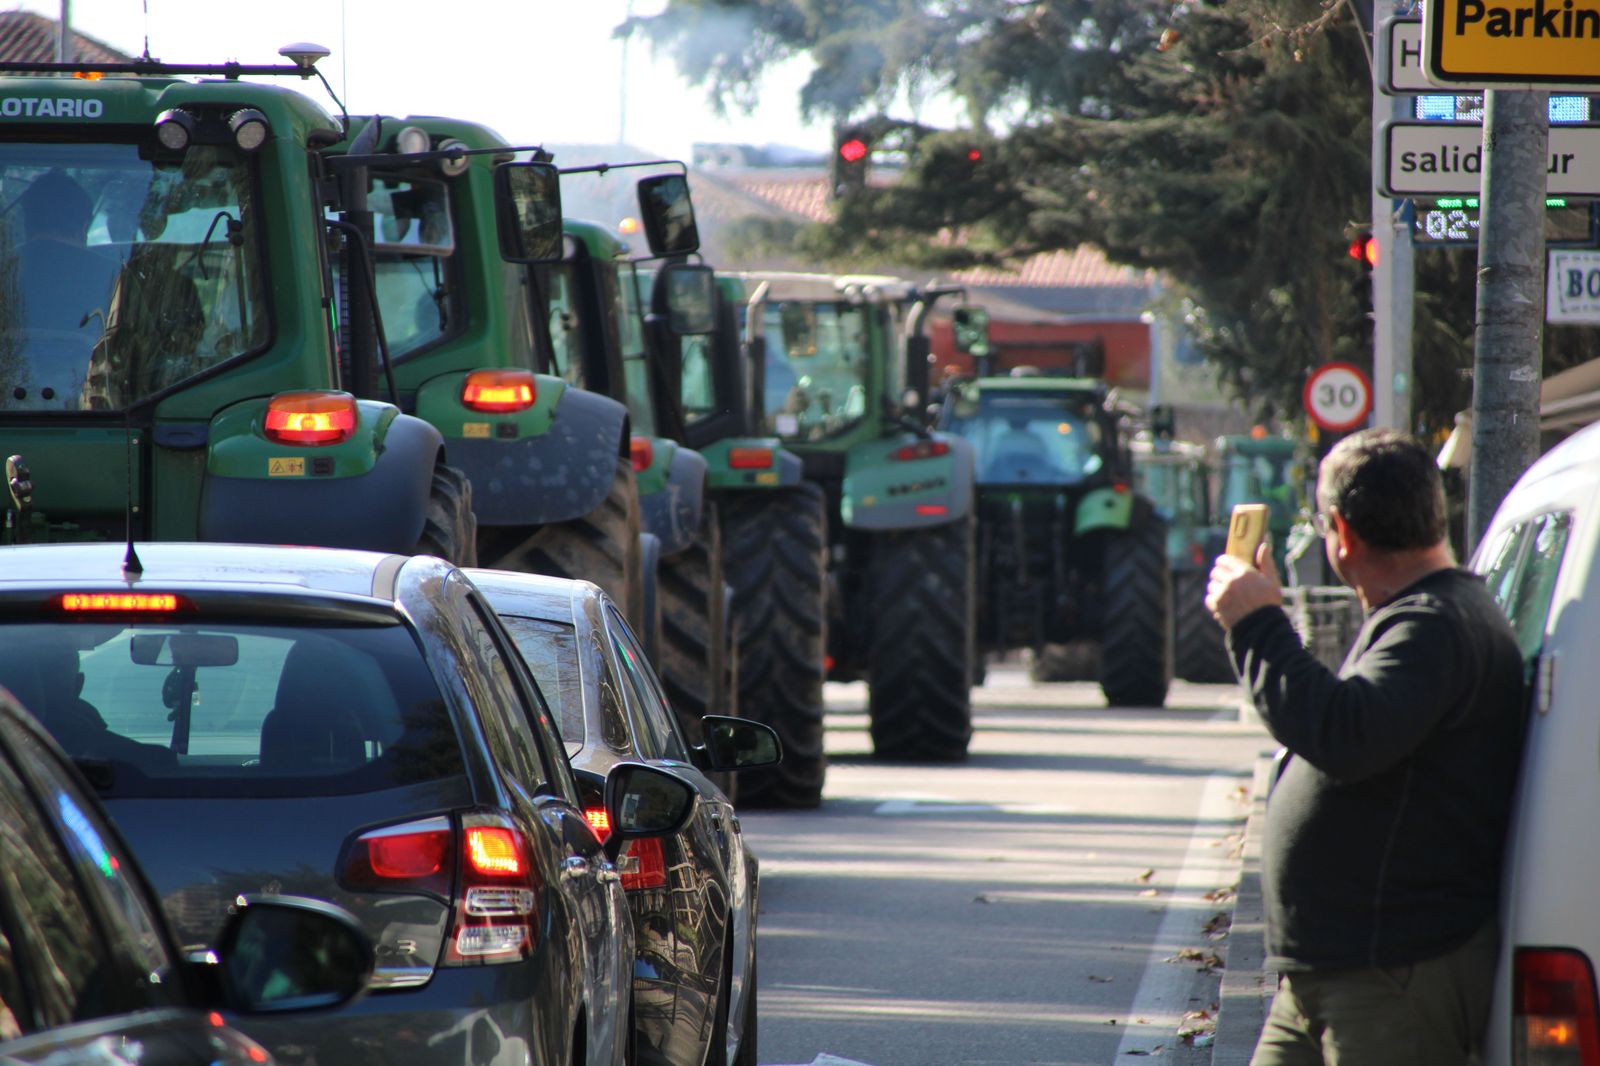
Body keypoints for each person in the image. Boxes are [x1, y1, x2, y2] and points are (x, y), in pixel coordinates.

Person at [1204, 428, 1526, 1066]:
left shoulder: (1434, 624)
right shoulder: (1425, 613)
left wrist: (1258, 625)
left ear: (1341, 534)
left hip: (1391, 976)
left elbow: (1347, 735)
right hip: (1339, 970)